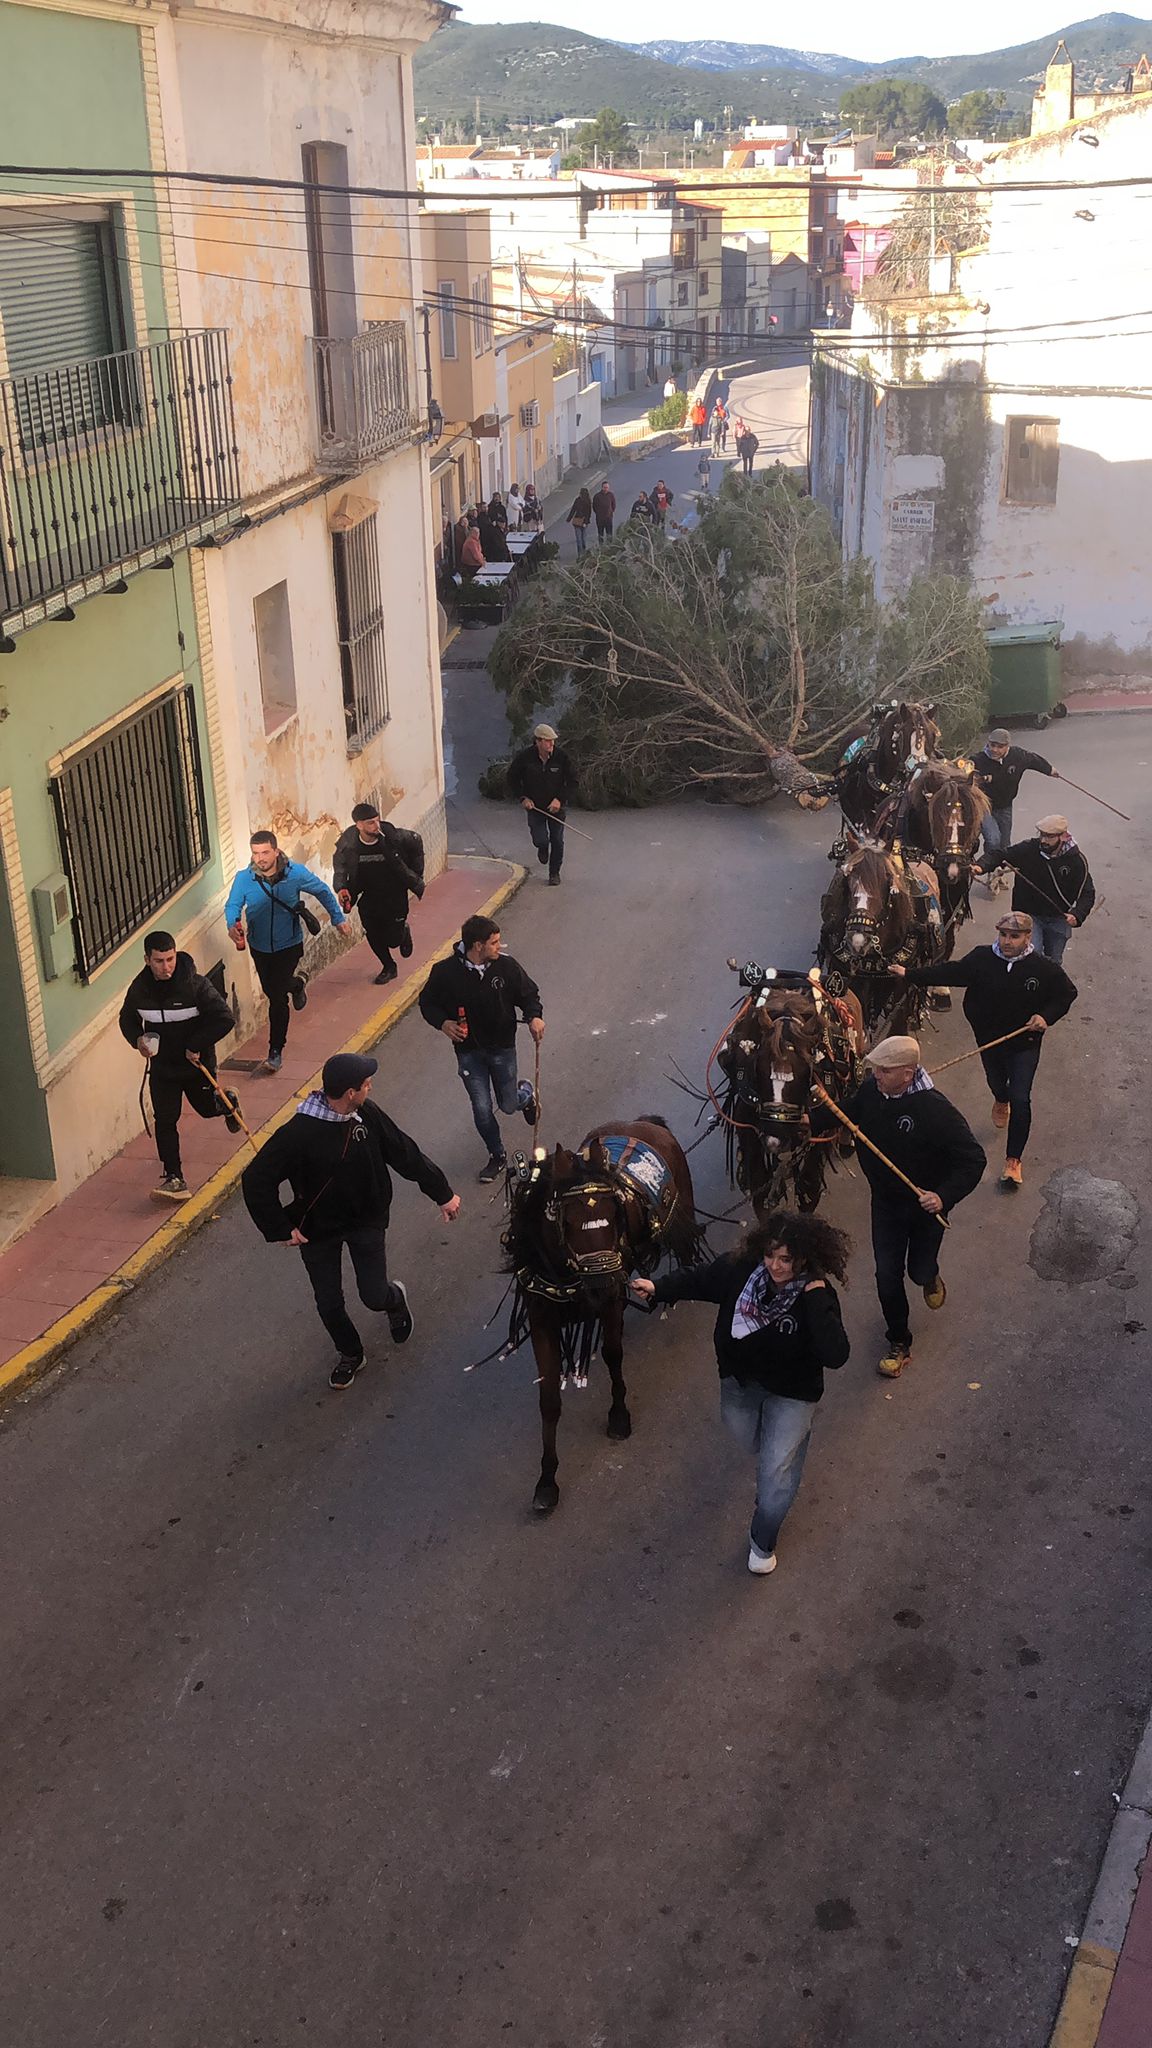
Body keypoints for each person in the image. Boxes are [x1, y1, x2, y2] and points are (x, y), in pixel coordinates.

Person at [631, 1213, 851, 1575]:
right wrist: (658, 1287)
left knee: (775, 1477)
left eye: (786, 1260)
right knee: (749, 1439)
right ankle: (782, 1452)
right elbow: (701, 1279)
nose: (775, 1266)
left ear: (803, 1259)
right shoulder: (741, 1270)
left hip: (793, 1392)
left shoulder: (818, 1295)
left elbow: (836, 1355)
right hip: (740, 1383)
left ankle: (762, 1541)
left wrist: (815, 1301)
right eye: (770, 1255)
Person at [241, 1052, 459, 1389]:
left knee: (372, 1295)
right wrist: (279, 1227)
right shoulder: (298, 1134)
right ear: (350, 1093)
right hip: (318, 1230)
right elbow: (256, 1179)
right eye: (366, 1084)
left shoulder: (367, 1115)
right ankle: (350, 1354)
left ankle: (393, 1299)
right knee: (328, 1303)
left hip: (366, 1219)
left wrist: (442, 1193)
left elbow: (404, 1152)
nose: (371, 1088)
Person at [809, 1036, 985, 1379]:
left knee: (918, 1270)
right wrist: (808, 1121)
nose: (876, 1075)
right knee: (886, 1275)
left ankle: (929, 1276)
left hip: (925, 1211)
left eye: (885, 1070)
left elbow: (973, 1159)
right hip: (886, 1205)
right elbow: (847, 1109)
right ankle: (899, 1341)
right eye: (876, 1068)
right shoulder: (872, 1092)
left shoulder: (936, 1110)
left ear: (908, 1073)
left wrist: (942, 1196)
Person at [889, 910, 1077, 1189]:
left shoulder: (1043, 968)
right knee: (997, 1083)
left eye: (1015, 936)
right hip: (989, 1041)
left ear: (1028, 937)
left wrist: (1045, 1017)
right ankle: (1000, 1099)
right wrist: (909, 974)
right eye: (1003, 935)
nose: (1007, 941)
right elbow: (950, 972)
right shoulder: (981, 959)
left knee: (1021, 1098)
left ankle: (1013, 1161)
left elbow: (1067, 994)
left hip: (1024, 1044)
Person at [419, 914, 544, 1183]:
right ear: (478, 945)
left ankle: (525, 1096)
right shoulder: (444, 972)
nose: (500, 946)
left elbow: (529, 994)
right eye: (494, 942)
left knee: (507, 1105)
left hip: (502, 1048)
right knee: (481, 1108)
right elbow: (427, 1003)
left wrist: (534, 1016)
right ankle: (497, 1154)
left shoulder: (507, 967)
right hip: (468, 1053)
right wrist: (443, 1023)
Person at [119, 930, 241, 1203]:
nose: (166, 967)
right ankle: (174, 1178)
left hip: (195, 1066)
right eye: (159, 961)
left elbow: (224, 1019)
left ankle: (227, 1102)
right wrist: (137, 1040)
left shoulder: (195, 986)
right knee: (165, 1120)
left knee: (206, 1109)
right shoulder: (139, 990)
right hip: (162, 1069)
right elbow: (126, 1018)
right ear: (147, 960)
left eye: (170, 959)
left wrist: (196, 1044)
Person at [225, 832, 349, 1075]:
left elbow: (322, 891)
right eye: (255, 853)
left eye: (265, 852)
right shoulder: (244, 878)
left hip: (288, 945)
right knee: (273, 989)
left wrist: (338, 919)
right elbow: (233, 905)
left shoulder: (295, 873)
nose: (260, 858)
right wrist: (232, 924)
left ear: (276, 851)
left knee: (277, 998)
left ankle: (275, 1051)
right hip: (259, 946)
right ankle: (297, 984)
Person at [974, 815, 1094, 963]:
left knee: (1054, 961)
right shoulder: (1029, 849)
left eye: (1049, 836)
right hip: (1029, 915)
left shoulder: (1077, 861)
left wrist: (1077, 914)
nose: (1043, 840)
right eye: (1042, 835)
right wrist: (981, 866)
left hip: (1059, 918)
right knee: (1031, 956)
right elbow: (1000, 855)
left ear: (1063, 836)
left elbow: (1087, 893)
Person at [333, 803, 425, 987]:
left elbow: (416, 841)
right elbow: (340, 866)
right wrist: (341, 888)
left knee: (393, 940)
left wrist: (415, 875)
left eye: (377, 821)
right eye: (371, 823)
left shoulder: (394, 837)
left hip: (395, 895)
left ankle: (403, 932)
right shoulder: (349, 843)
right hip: (369, 895)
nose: (377, 826)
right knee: (373, 933)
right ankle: (389, 966)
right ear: (359, 825)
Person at [972, 728, 1057, 873]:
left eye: (1000, 746)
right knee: (993, 839)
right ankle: (988, 868)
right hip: (984, 807)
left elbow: (1034, 760)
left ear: (1007, 746)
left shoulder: (1017, 756)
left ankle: (1001, 871)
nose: (995, 750)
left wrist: (1050, 770)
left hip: (1005, 806)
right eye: (992, 745)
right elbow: (964, 774)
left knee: (1005, 844)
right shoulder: (977, 760)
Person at [506, 721, 576, 885]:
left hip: (556, 807)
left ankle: (554, 873)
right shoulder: (525, 758)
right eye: (547, 741)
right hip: (535, 807)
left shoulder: (561, 757)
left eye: (553, 741)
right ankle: (542, 848)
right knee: (541, 840)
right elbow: (512, 779)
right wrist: (523, 797)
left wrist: (560, 799)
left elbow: (573, 781)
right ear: (538, 741)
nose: (551, 744)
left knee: (557, 840)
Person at [566, 486, 592, 555]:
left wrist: (585, 522)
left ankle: (583, 551)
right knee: (579, 539)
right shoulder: (578, 500)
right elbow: (573, 509)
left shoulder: (587, 502)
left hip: (582, 521)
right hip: (578, 522)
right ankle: (580, 553)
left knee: (582, 539)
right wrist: (569, 518)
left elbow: (588, 513)